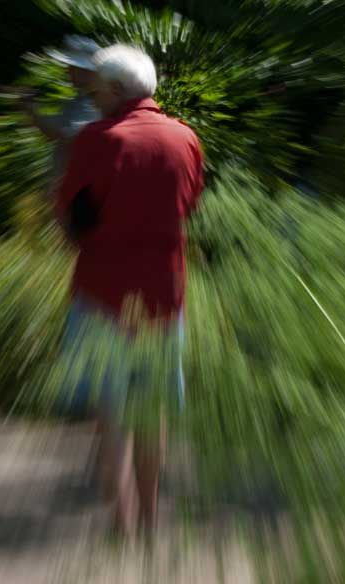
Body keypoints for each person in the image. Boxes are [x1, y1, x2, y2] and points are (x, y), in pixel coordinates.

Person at [55, 44, 205, 536]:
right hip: (164, 292)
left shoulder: (96, 140)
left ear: (117, 90)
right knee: (152, 406)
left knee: (110, 407)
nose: (93, 99)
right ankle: (150, 514)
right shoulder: (186, 139)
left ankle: (121, 520)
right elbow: (190, 204)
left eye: (98, 91)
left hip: (103, 290)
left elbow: (72, 220)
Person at [18, 35, 102, 192]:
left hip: (79, 193)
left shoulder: (93, 103)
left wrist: (32, 110)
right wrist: (33, 111)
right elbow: (59, 126)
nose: (67, 71)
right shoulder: (81, 99)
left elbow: (61, 133)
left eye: (72, 66)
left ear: (85, 70)